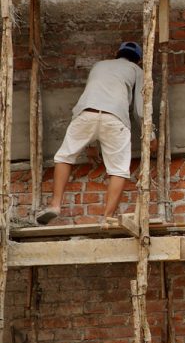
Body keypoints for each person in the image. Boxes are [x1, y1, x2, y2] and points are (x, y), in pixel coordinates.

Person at [36, 41, 155, 226]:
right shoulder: (137, 70)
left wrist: (91, 144)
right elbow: (140, 110)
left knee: (64, 156)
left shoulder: (99, 66)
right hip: (115, 119)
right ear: (138, 60)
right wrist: (152, 137)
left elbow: (97, 97)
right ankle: (107, 217)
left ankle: (55, 205)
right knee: (119, 169)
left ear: (117, 54)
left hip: (85, 114)